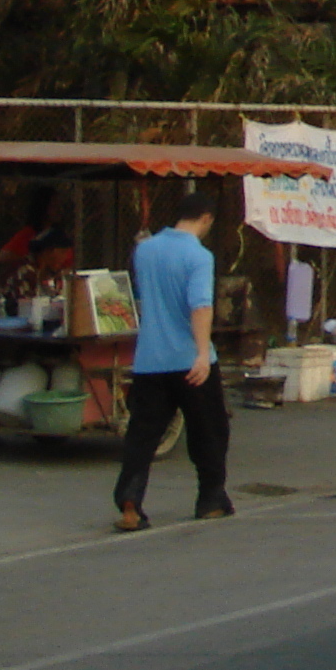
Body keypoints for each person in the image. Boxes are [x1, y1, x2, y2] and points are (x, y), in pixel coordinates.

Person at [115, 193, 230, 532]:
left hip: (150, 358)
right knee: (209, 430)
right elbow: (200, 305)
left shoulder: (145, 251)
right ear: (206, 218)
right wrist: (201, 353)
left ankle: (130, 504)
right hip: (189, 360)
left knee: (142, 434)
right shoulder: (199, 256)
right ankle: (210, 499)